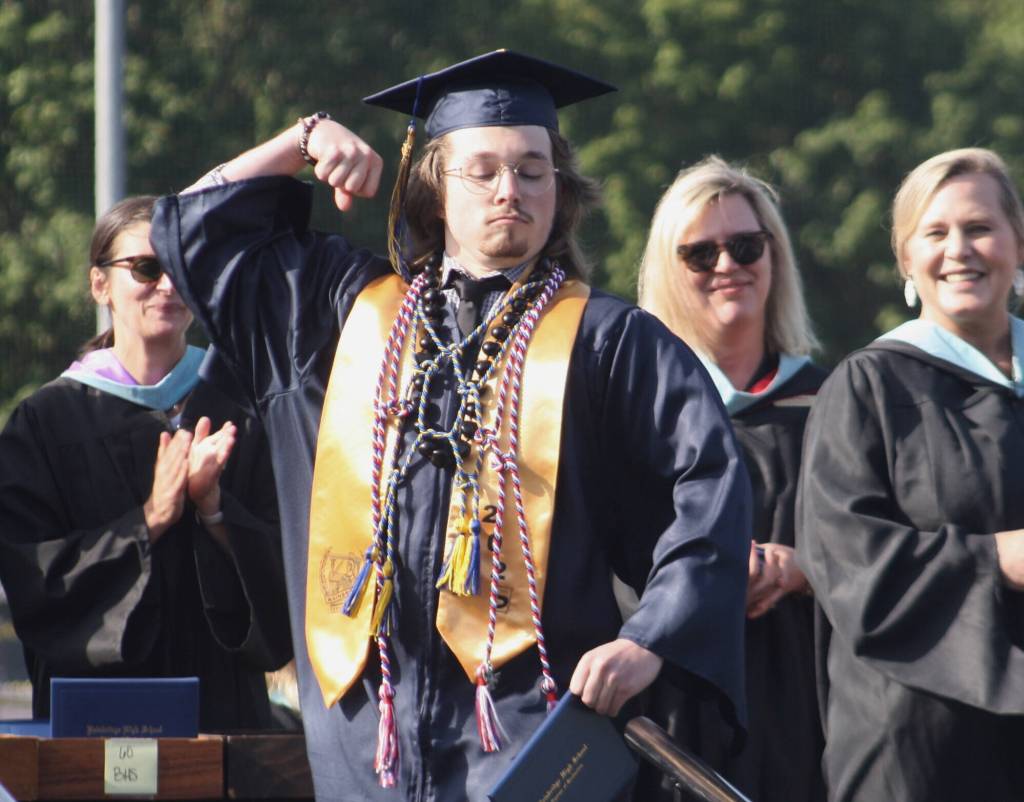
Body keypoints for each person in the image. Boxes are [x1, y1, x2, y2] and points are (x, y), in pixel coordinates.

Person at [150, 50, 752, 800]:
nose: (512, 191)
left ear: (560, 191)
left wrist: (649, 639)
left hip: (526, 722)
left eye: (534, 171)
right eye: (485, 171)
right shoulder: (343, 311)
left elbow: (711, 489)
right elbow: (196, 232)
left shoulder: (607, 340)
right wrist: (301, 142)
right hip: (365, 725)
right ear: (435, 187)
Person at [0, 196, 291, 732]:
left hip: (227, 716)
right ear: (100, 285)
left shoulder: (245, 408)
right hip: (98, 718)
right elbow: (35, 584)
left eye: (183, 267)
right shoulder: (43, 424)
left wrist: (214, 511)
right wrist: (151, 518)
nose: (168, 285)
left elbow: (293, 570)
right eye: (146, 268)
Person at [797, 147, 1024, 800]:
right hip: (916, 748)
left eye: (980, 227)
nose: (961, 250)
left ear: (1016, 241)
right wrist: (999, 560)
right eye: (936, 232)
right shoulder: (867, 387)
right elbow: (849, 567)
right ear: (906, 258)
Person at [635, 157, 825, 802]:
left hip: (807, 697)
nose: (727, 265)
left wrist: (804, 567)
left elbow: (879, 544)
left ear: (774, 258)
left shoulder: (831, 406)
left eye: (746, 245)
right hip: (674, 702)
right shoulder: (636, 414)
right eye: (699, 254)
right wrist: (700, 573)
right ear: (669, 269)